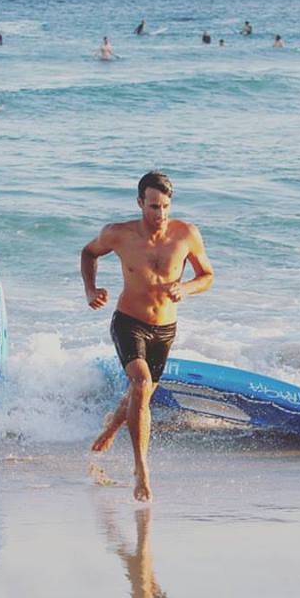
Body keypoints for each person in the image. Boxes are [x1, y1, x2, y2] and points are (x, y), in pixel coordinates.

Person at [82, 171, 214, 501]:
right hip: (129, 322)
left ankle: (113, 426)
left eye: (166, 206)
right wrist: (90, 289)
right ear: (140, 203)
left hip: (165, 329)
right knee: (141, 384)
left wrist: (186, 287)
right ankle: (142, 470)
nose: (161, 215)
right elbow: (88, 253)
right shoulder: (118, 234)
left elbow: (207, 276)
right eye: (154, 207)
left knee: (142, 393)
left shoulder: (186, 234)